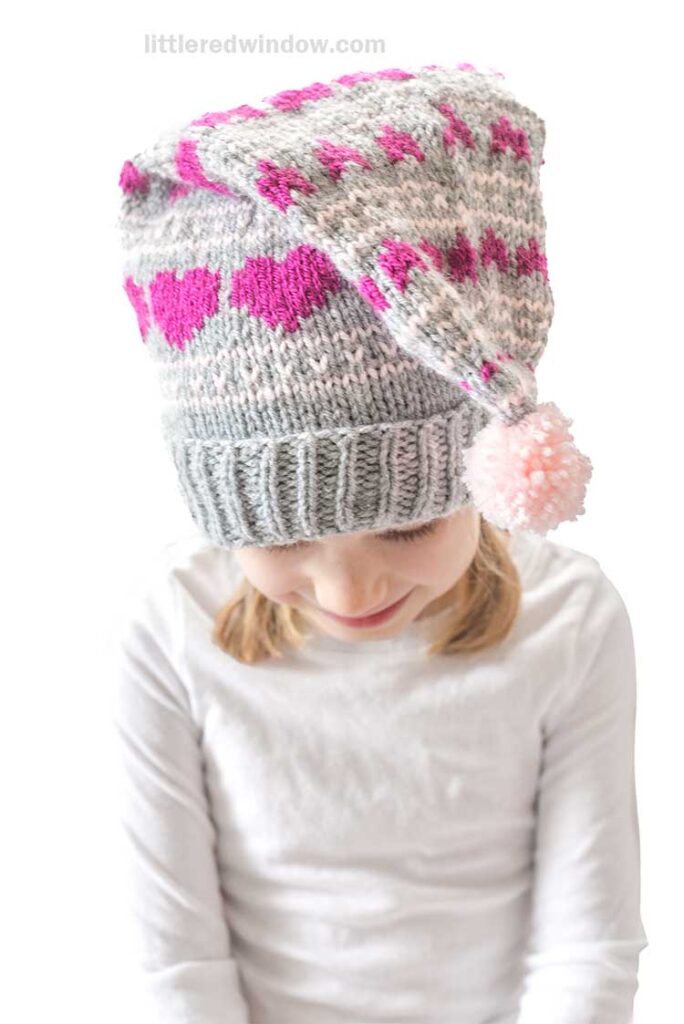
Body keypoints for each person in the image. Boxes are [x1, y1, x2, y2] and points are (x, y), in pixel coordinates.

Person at [110, 62, 648, 1024]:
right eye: (281, 531)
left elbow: (587, 945)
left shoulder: (573, 623)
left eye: (406, 519)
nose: (348, 587)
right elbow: (175, 966)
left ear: (490, 471)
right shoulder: (168, 631)